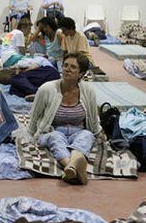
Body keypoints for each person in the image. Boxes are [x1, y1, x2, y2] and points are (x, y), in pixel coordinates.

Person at [27, 52, 105, 185]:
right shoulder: (47, 89)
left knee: (86, 135)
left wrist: (98, 133)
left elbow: (92, 117)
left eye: (73, 67)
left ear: (81, 73)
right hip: (53, 130)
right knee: (56, 137)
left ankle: (71, 168)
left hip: (78, 131)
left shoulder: (88, 91)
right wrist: (31, 135)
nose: (67, 69)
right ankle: (72, 166)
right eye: (65, 65)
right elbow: (34, 116)